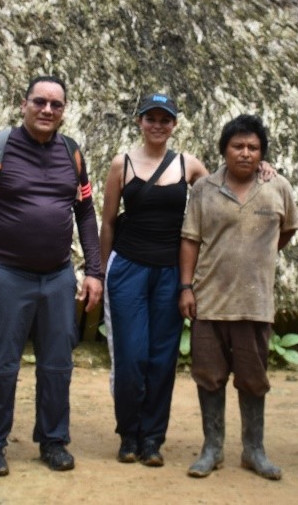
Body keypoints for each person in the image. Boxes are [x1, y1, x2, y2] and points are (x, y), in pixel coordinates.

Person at [0, 75, 104, 477]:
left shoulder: (72, 154)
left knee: (57, 366)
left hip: (56, 279)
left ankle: (53, 441)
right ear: (24, 104)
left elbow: (85, 214)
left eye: (56, 104)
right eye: (40, 102)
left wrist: (94, 270)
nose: (47, 110)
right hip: (5, 275)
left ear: (63, 110)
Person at [178, 114, 298, 481]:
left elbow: (288, 230)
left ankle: (253, 450)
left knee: (253, 379)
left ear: (262, 153)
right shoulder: (203, 189)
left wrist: (256, 259)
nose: (245, 153)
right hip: (210, 301)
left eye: (253, 147)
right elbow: (190, 240)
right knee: (208, 377)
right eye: (238, 146)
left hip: (255, 304)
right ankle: (212, 449)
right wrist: (186, 287)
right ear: (224, 150)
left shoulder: (277, 186)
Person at [98, 93, 208, 467]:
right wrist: (100, 271)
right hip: (128, 268)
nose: (158, 125)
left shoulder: (188, 165)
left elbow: (222, 194)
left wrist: (262, 170)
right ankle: (128, 433)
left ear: (174, 124)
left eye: (165, 119)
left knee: (162, 358)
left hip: (170, 272)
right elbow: (109, 221)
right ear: (140, 122)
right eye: (151, 118)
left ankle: (152, 439)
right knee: (131, 356)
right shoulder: (121, 164)